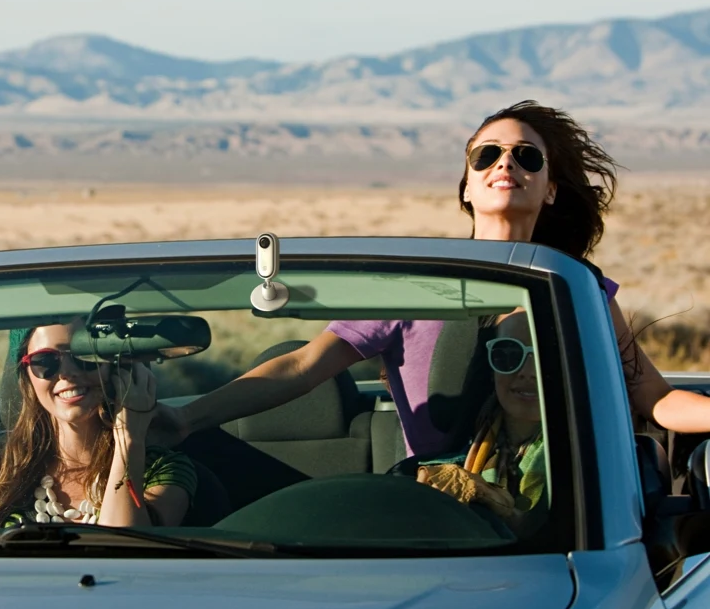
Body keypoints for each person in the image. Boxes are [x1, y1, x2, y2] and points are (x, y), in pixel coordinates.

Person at [157, 100, 710, 457]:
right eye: (487, 155)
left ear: (550, 190)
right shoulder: (415, 285)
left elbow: (656, 399)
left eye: (527, 157)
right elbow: (302, 367)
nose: (506, 164)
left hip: (566, 512)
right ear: (466, 186)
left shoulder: (577, 291)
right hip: (444, 510)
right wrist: (185, 418)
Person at [0, 322, 197, 529]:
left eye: (85, 356)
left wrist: (129, 439)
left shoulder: (160, 470)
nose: (67, 373)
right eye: (45, 361)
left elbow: (124, 555)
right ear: (26, 376)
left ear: (118, 366)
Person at [414, 310, 546, 536]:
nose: (528, 372)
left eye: (545, 354)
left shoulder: (596, 462)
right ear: (489, 365)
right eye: (508, 354)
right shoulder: (432, 472)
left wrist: (503, 511)